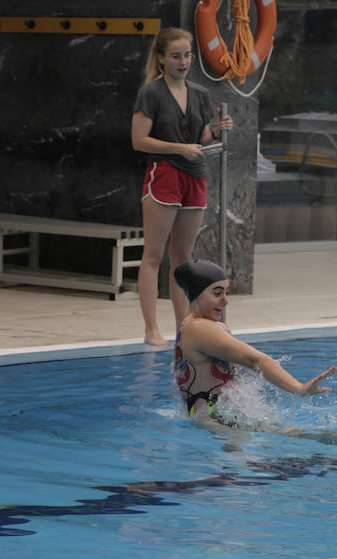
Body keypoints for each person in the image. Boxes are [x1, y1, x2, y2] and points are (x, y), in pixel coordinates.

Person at [132, 27, 234, 346]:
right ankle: (151, 328)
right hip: (164, 173)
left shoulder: (200, 93)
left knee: (183, 257)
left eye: (188, 55)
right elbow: (139, 140)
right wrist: (179, 148)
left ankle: (184, 327)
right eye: (176, 56)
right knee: (154, 253)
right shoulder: (151, 93)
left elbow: (201, 138)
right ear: (161, 58)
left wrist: (216, 130)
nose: (183, 61)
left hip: (195, 173)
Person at [173, 260, 336, 424]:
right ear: (196, 294)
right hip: (215, 421)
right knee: (300, 437)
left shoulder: (192, 326)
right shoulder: (200, 329)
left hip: (217, 419)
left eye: (226, 293)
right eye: (217, 293)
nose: (225, 300)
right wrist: (298, 388)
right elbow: (253, 359)